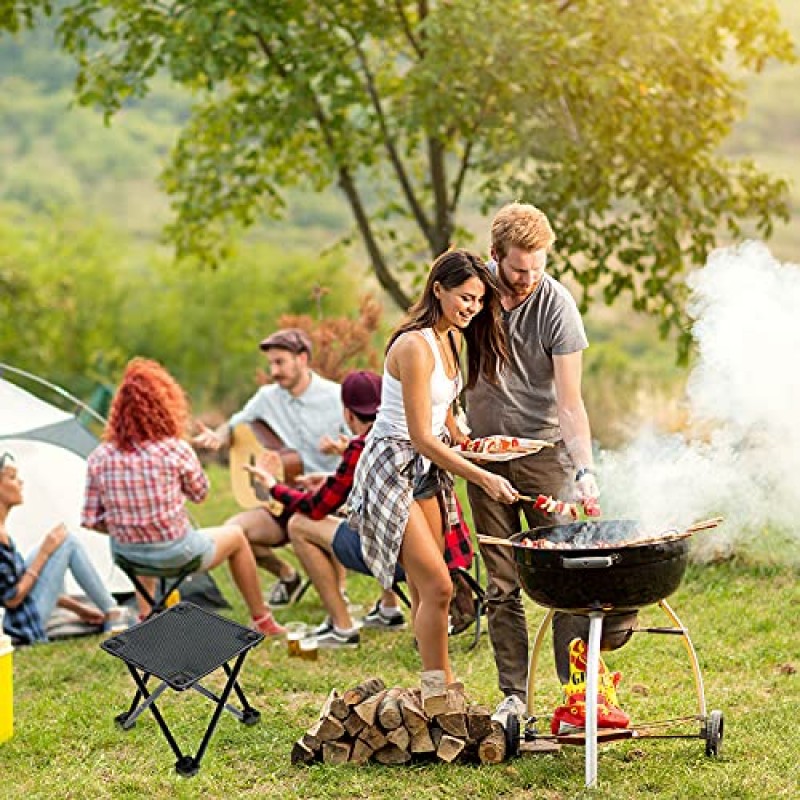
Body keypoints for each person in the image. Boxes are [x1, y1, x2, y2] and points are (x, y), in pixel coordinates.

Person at [464, 202, 609, 727]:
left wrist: (583, 469)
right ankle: (514, 699)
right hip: (484, 459)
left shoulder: (557, 306)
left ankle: (575, 697)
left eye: (537, 267)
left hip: (546, 455)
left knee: (565, 578)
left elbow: (571, 402)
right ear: (496, 256)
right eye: (518, 268)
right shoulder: (472, 298)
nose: (528, 278)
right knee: (501, 583)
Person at [347, 249, 518, 688]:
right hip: (392, 468)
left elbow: (440, 411)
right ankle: (438, 690)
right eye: (465, 297)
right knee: (440, 587)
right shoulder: (414, 346)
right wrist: (482, 476)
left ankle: (433, 688)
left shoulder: (450, 338)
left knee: (430, 589)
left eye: (479, 301)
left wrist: (467, 442)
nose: (472, 308)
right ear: (438, 289)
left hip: (425, 469)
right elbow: (420, 435)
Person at [81, 357, 285, 636]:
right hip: (178, 553)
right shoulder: (174, 449)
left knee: (141, 540)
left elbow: (91, 520)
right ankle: (263, 620)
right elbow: (200, 494)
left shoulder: (100, 456)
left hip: (127, 555)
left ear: (118, 411)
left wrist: (128, 524)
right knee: (237, 536)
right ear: (165, 404)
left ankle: (147, 620)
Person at [244, 370, 407, 649]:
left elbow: (316, 508)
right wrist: (326, 480)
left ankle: (342, 628)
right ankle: (388, 610)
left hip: (392, 557)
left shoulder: (359, 447)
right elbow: (366, 485)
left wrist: (273, 487)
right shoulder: (400, 435)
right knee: (374, 512)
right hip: (424, 551)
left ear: (347, 414)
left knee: (299, 524)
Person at [192, 328, 346, 608]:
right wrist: (219, 436)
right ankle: (287, 576)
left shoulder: (336, 397)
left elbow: (361, 444)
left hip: (326, 497)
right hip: (281, 496)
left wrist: (340, 447)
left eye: (280, 362)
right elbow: (236, 423)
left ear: (302, 359)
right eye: (270, 363)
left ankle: (338, 590)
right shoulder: (267, 397)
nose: (273, 371)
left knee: (321, 526)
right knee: (233, 533)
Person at [0, 451, 124, 645]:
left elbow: (28, 582)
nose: (21, 483)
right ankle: (112, 613)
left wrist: (80, 610)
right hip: (24, 624)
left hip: (21, 615)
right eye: (13, 478)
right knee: (65, 543)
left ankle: (110, 611)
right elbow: (11, 599)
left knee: (56, 543)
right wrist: (45, 552)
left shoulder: (2, 530)